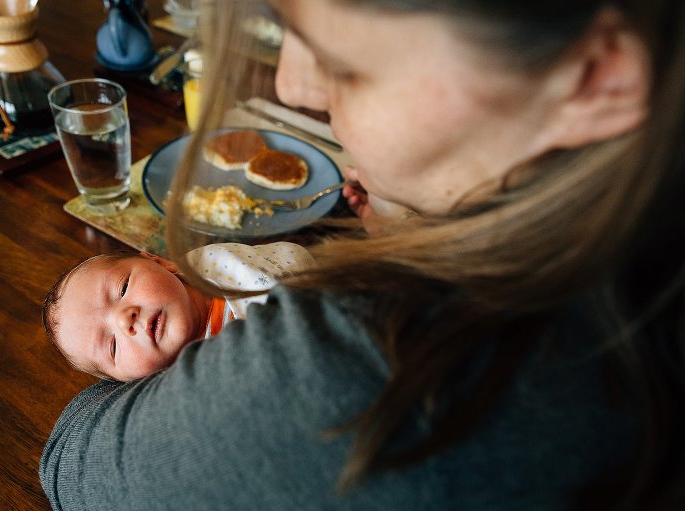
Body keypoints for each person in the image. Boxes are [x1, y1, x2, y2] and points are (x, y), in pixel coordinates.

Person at [41, 0, 685, 509]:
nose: (295, 87)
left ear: (597, 77)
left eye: (343, 61)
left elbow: (71, 463)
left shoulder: (388, 362)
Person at [42, 242, 314, 381]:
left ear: (161, 262)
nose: (125, 319)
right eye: (112, 346)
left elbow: (297, 263)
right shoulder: (192, 387)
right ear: (126, 382)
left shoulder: (228, 270)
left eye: (123, 288)